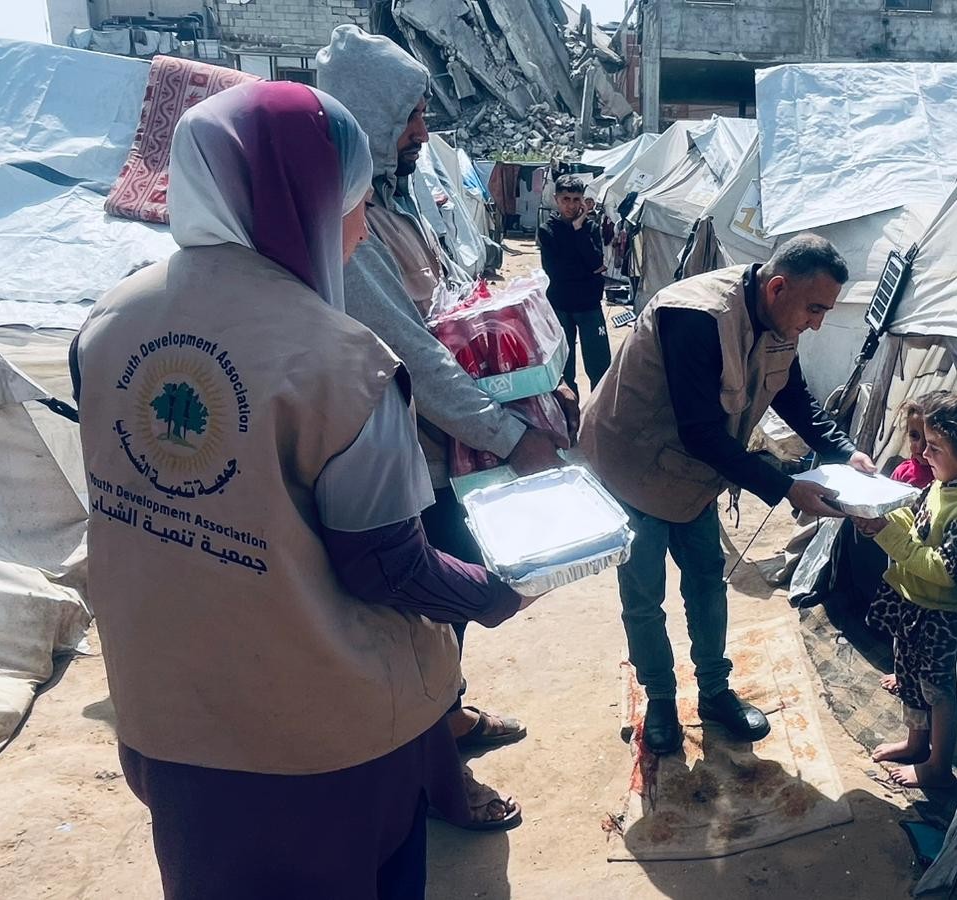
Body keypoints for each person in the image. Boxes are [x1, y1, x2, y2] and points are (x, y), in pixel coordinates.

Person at [70, 81, 535, 898]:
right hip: (314, 745)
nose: (359, 228)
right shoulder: (342, 363)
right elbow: (383, 567)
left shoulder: (107, 323)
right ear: (309, 202)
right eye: (352, 202)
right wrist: (496, 591)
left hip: (167, 717)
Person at [317, 25, 561, 828]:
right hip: (398, 463)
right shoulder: (346, 226)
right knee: (424, 618)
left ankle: (449, 718)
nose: (424, 131)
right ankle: (438, 784)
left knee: (445, 617)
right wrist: (511, 434)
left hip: (440, 455)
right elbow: (413, 353)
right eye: (411, 116)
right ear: (368, 118)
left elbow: (445, 301)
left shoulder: (394, 198)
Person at [579, 234, 876, 755]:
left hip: (695, 470)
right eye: (814, 309)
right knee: (645, 595)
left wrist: (841, 451)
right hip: (633, 463)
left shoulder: (781, 313)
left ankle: (715, 691)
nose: (818, 323)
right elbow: (700, 431)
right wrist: (787, 489)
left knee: (707, 582)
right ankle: (661, 700)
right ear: (778, 287)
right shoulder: (695, 316)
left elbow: (791, 392)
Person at [853, 385, 957, 789]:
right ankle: (914, 743)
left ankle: (937, 764)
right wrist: (884, 517)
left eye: (935, 447)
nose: (923, 454)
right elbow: (918, 523)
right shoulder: (941, 485)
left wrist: (887, 536)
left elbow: (944, 569)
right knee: (909, 677)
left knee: (938, 691)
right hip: (913, 605)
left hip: (940, 616)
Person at [539, 174, 612, 394]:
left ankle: (599, 419)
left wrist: (579, 228)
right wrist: (588, 269)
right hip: (560, 306)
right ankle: (570, 421)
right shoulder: (547, 230)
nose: (571, 205)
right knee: (564, 368)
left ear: (583, 200)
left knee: (600, 365)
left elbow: (596, 261)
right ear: (556, 199)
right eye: (566, 199)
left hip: (589, 305)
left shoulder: (589, 228)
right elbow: (555, 271)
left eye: (575, 199)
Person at [889, 394, 946, 490]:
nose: (920, 446)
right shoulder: (902, 473)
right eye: (914, 436)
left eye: (929, 440)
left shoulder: (945, 476)